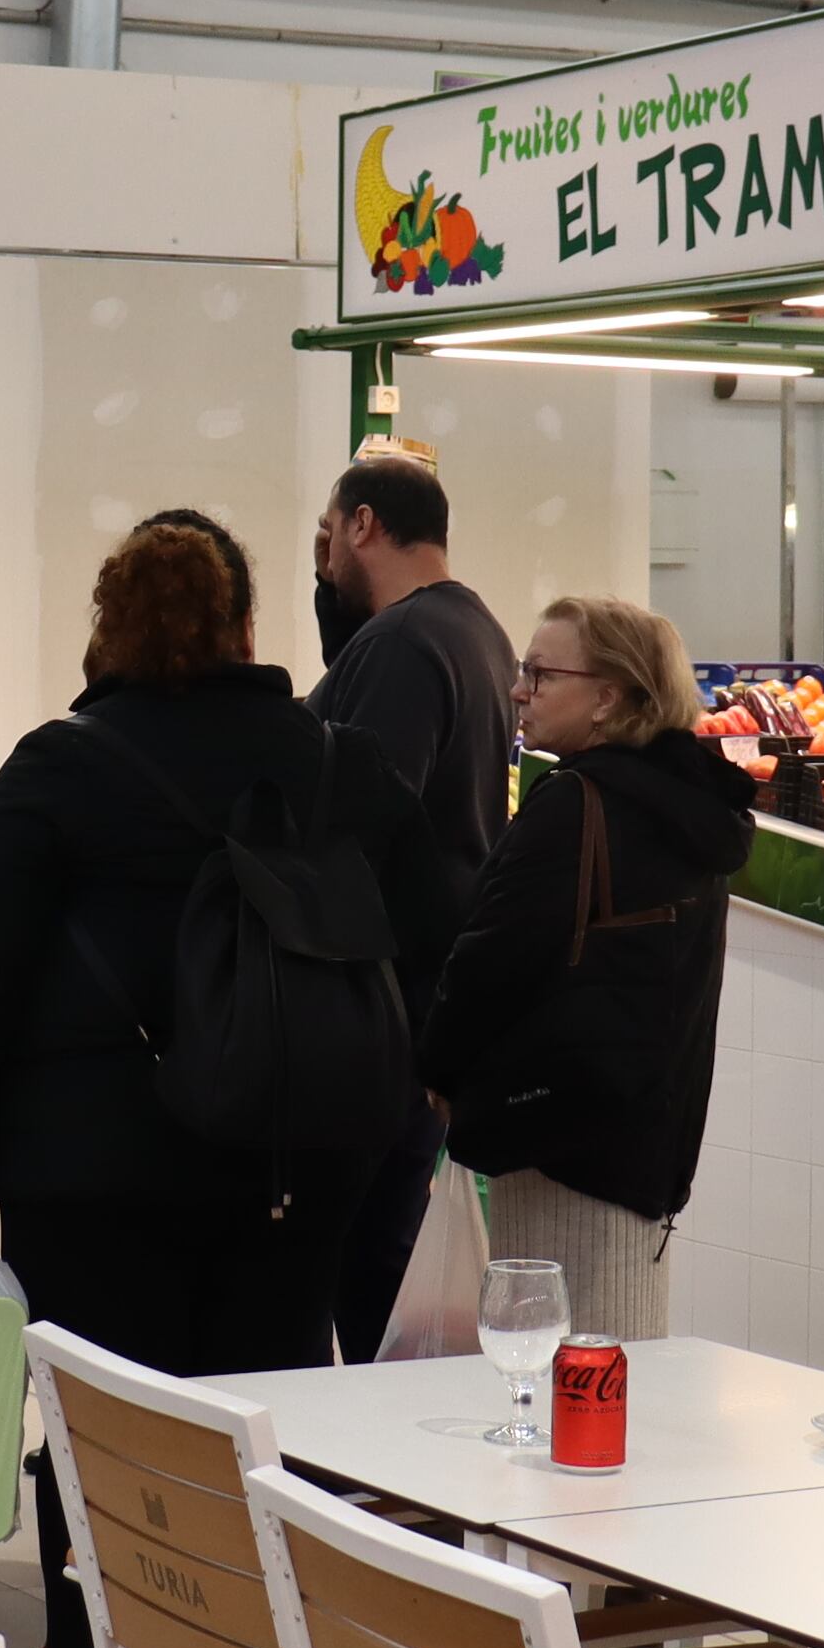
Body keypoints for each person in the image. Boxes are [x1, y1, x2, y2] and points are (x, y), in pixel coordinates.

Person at [0, 514, 427, 1648]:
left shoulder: (57, 768)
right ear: (247, 624)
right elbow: (430, 921)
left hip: (96, 1153)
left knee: (103, 1417)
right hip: (298, 1145)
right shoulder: (336, 765)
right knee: (265, 1400)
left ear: (106, 628)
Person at [419, 593, 748, 1342]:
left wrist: (437, 1066)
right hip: (648, 1147)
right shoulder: (696, 807)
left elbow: (489, 958)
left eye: (539, 673)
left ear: (608, 696)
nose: (517, 690)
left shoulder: (577, 803)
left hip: (558, 1142)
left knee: (550, 1375)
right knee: (621, 1368)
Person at [310, 453, 517, 1360]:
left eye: (329, 533)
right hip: (432, 999)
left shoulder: (401, 644)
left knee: (357, 1274)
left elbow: (358, 806)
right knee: (379, 1260)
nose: (322, 553)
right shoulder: (474, 630)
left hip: (379, 1013)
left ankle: (356, 1488)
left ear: (363, 525)